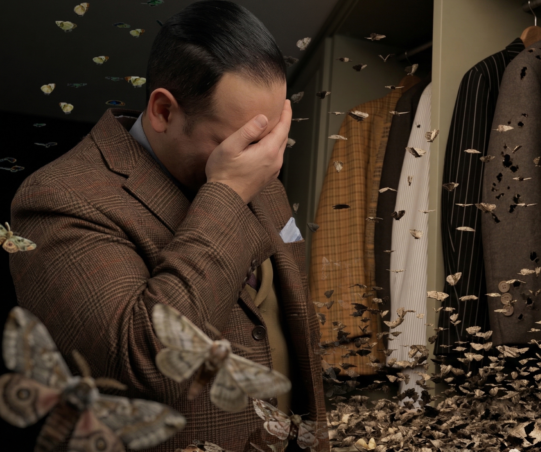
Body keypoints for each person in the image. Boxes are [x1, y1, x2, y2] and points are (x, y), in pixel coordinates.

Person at [8, 1, 328, 450]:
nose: (267, 161)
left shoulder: (259, 172)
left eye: (271, 138)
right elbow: (144, 369)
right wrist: (229, 195)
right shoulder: (58, 199)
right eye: (238, 140)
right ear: (162, 110)